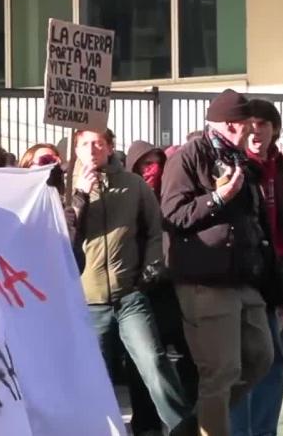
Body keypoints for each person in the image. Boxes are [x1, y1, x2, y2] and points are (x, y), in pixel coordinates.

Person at [66, 128, 195, 435]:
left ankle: (185, 428)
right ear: (76, 150)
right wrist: (80, 196)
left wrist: (151, 268)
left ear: (110, 148)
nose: (92, 149)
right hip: (89, 300)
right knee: (96, 377)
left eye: (99, 143)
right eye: (85, 143)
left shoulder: (134, 185)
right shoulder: (66, 188)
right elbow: (67, 238)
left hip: (130, 296)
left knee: (154, 362)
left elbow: (154, 230)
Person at [162, 89, 275, 436]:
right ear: (231, 125)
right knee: (221, 371)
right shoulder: (188, 157)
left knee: (260, 358)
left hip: (243, 277)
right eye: (247, 125)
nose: (254, 132)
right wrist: (217, 198)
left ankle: (195, 425)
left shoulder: (241, 160)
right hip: (205, 279)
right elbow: (173, 214)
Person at [232, 98, 283, 436]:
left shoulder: (280, 171)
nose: (256, 131)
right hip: (244, 278)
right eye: (251, 124)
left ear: (275, 130)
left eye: (264, 124)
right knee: (249, 363)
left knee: (273, 362)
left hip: (275, 278)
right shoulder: (233, 167)